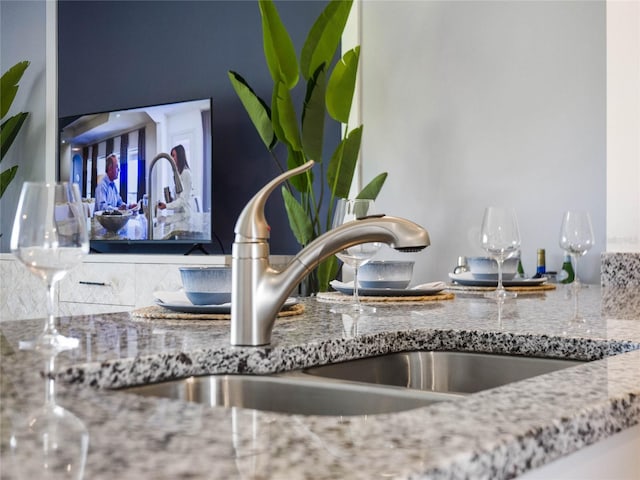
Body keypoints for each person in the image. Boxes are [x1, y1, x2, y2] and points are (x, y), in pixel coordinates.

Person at [157, 144, 192, 216]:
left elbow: (183, 200)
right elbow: (179, 198)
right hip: (178, 215)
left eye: (173, 156)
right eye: (171, 156)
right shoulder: (178, 175)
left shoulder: (186, 173)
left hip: (185, 215)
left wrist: (166, 206)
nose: (171, 158)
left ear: (180, 156)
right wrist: (171, 199)